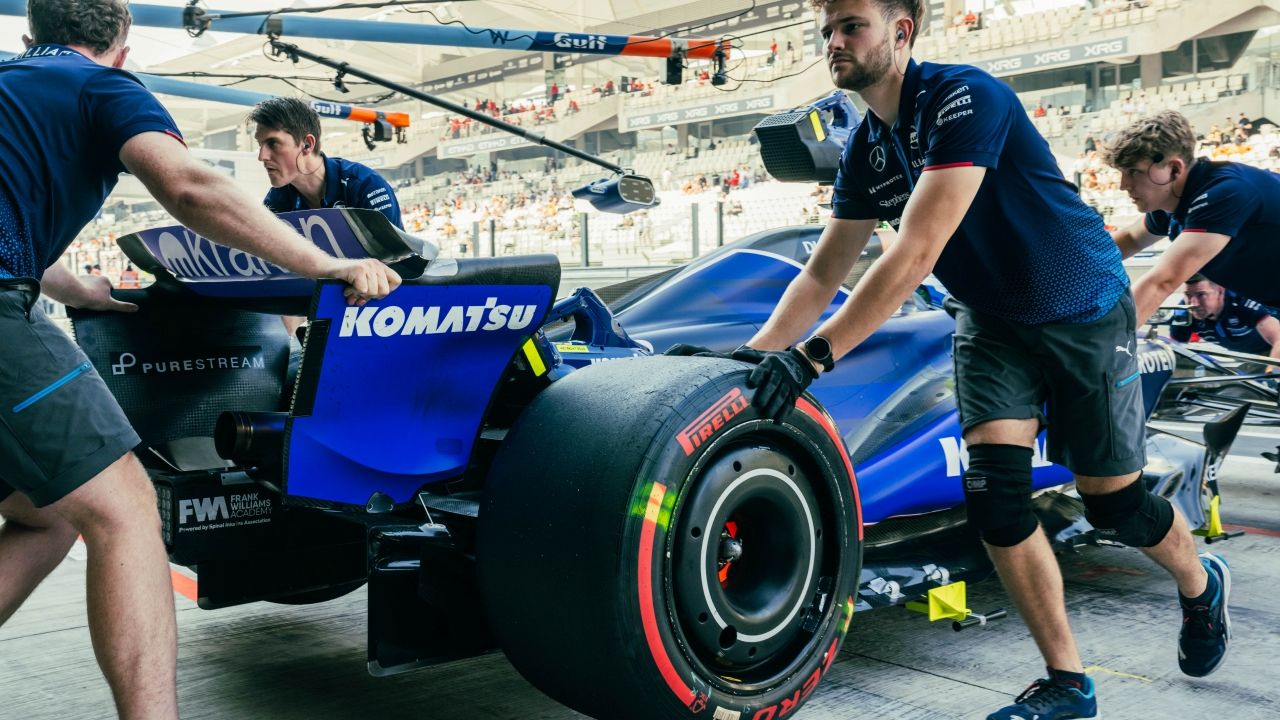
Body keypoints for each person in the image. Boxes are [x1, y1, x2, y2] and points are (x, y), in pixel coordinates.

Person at [677, 3, 1228, 718]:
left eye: (852, 25)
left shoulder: (966, 96)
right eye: (829, 30)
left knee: (1115, 504)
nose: (833, 42)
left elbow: (917, 249)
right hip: (992, 324)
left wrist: (811, 359)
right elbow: (821, 273)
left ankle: (1198, 583)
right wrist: (756, 360)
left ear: (901, 32)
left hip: (1084, 312)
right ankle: (1068, 685)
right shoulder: (865, 149)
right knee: (997, 502)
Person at [0, 3, 400, 718]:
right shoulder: (102, 86)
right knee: (126, 511)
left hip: (22, 280)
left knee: (48, 513)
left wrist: (69, 285)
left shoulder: (11, 83)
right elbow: (188, 188)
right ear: (120, 47)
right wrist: (327, 266)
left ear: (31, 39)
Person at [1107, 111, 1280, 322]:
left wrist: (1102, 347)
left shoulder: (1225, 193)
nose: (1123, 184)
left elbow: (1163, 282)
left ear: (1173, 168)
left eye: (1133, 171)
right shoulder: (1174, 201)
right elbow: (1129, 239)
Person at [1169, 274, 1280, 362]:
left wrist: (1274, 374)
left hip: (1272, 350)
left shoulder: (1241, 300)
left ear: (1220, 291)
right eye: (1188, 295)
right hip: (1246, 357)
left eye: (1201, 295)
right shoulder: (1184, 310)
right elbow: (1176, 351)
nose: (1194, 303)